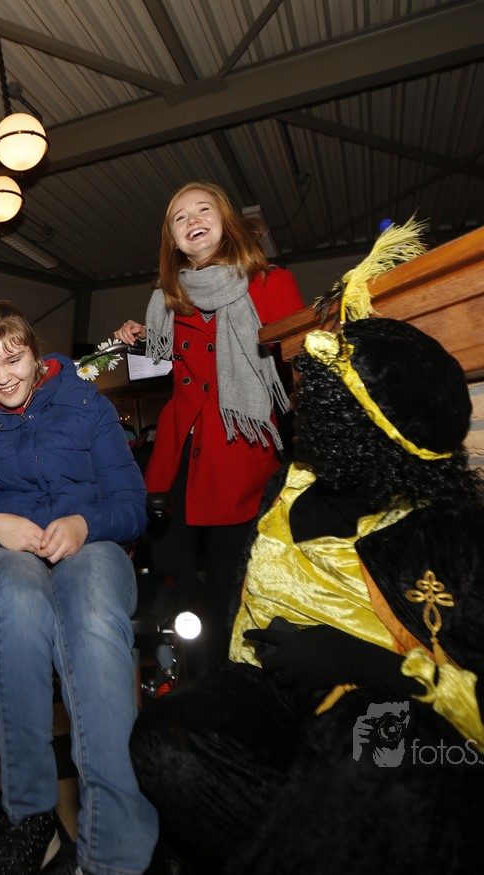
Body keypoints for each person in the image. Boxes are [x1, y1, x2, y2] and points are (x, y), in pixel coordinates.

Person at [128, 225, 484, 874]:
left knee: (366, 754)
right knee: (165, 739)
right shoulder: (283, 489)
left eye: (322, 405)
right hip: (268, 701)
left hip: (381, 716)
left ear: (363, 437)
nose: (300, 407)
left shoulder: (458, 543)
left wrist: (378, 668)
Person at [0, 300, 157, 875]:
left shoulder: (88, 405)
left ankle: (116, 853)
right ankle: (31, 818)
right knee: (19, 602)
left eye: (13, 360)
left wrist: (86, 523)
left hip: (92, 544)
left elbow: (131, 506)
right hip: (4, 556)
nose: (3, 377)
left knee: (92, 619)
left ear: (36, 355)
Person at [114, 182, 303, 662]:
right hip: (177, 456)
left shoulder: (270, 282)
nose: (192, 220)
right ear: (174, 241)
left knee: (231, 582)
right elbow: (169, 361)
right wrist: (141, 338)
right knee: (172, 577)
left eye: (203, 210)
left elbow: (300, 360)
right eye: (180, 217)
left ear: (226, 222)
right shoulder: (168, 298)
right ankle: (191, 669)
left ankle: (230, 677)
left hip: (239, 450)